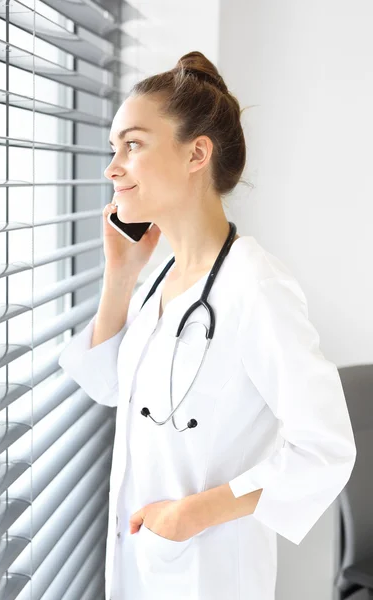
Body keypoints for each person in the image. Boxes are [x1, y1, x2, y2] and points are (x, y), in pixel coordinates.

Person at [58, 51, 357, 600]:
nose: (112, 167)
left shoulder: (255, 287)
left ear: (197, 153)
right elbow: (107, 387)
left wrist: (191, 515)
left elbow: (326, 447)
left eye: (133, 144)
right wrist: (120, 275)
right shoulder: (160, 276)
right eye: (113, 148)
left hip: (209, 571)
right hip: (144, 562)